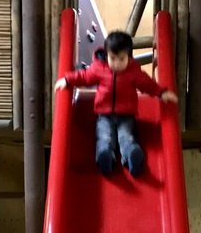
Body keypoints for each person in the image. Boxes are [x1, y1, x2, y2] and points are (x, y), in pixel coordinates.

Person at [55, 30, 178, 176]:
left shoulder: (133, 72)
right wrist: (67, 80)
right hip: (104, 115)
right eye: (112, 58)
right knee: (104, 137)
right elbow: (84, 76)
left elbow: (147, 84)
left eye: (121, 59)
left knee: (126, 136)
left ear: (129, 57)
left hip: (126, 115)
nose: (117, 63)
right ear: (106, 55)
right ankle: (105, 158)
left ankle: (131, 156)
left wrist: (161, 92)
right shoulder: (99, 69)